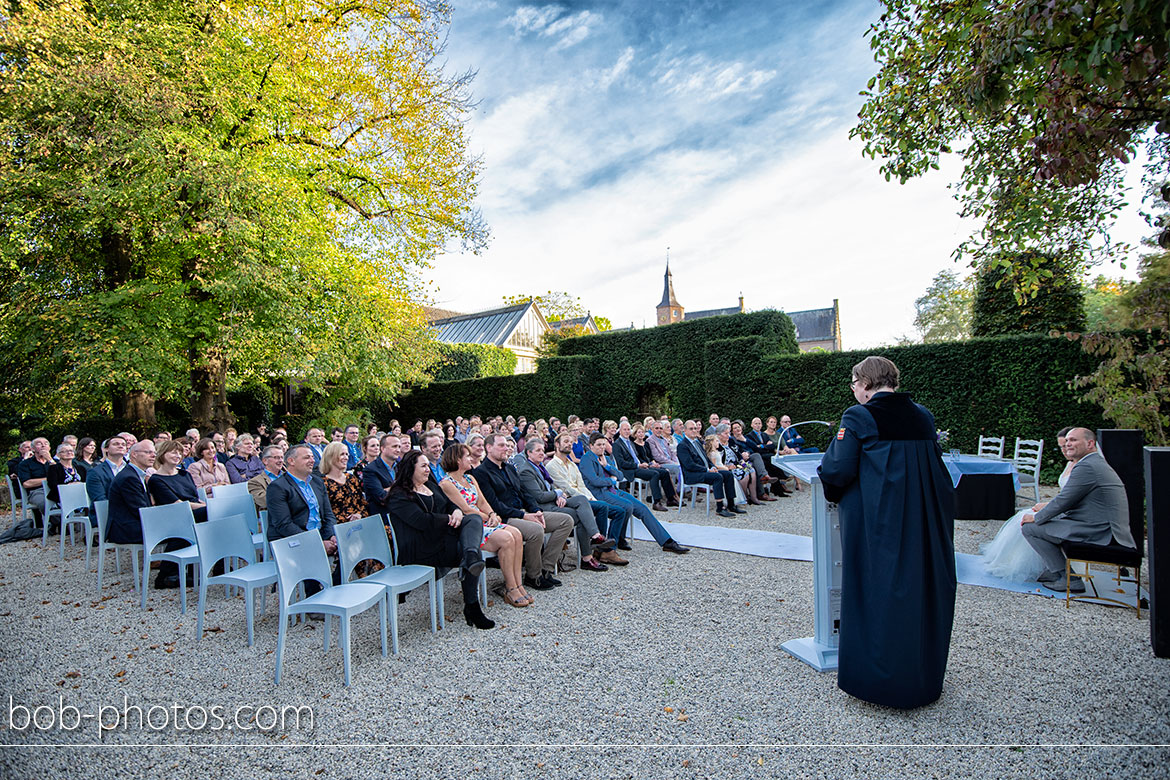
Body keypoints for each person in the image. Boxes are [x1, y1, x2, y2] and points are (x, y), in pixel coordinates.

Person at [817, 356, 956, 709]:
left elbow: (837, 469)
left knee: (877, 591)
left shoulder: (859, 415)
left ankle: (880, 682)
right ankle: (920, 676)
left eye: (853, 381)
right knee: (917, 590)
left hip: (879, 524)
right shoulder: (922, 415)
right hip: (922, 524)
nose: (852, 388)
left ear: (865, 383)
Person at [386, 450, 494, 629]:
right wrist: (450, 519)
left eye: (428, 465)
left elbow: (448, 503)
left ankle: (470, 557)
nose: (428, 469)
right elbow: (421, 521)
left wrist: (457, 511)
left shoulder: (429, 484)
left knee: (473, 520)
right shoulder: (399, 495)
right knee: (471, 551)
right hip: (421, 547)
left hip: (442, 537)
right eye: (423, 466)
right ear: (410, 469)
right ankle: (472, 606)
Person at [1021, 427, 1137, 593]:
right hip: (1098, 523)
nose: (1068, 444)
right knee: (1043, 522)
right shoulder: (1093, 462)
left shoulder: (1088, 466)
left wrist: (1037, 517)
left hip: (1100, 529)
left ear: (1090, 443)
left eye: (1073, 440)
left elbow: (1063, 501)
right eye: (1067, 440)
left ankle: (1068, 578)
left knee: (1030, 528)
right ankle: (1055, 571)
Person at [472, 433, 575, 590]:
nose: (506, 448)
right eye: (501, 445)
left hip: (525, 512)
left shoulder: (509, 468)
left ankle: (545, 569)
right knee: (536, 530)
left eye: (507, 445)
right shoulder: (481, 472)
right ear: (488, 448)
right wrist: (525, 515)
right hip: (505, 518)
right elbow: (494, 505)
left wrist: (536, 510)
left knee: (566, 521)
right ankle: (533, 576)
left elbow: (524, 492)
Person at [439, 444, 530, 608]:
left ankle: (518, 584)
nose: (471, 458)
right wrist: (488, 518)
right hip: (469, 527)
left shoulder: (470, 478)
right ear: (457, 460)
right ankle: (510, 587)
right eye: (467, 456)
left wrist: (492, 514)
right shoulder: (446, 484)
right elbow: (466, 509)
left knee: (517, 533)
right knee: (507, 538)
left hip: (484, 520)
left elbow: (481, 501)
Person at [981, 427, 1074, 583]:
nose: (1064, 450)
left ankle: (1045, 567)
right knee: (1021, 516)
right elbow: (1065, 496)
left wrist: (1045, 507)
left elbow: (1070, 500)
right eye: (1061, 447)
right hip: (1060, 506)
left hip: (1067, 511)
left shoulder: (1081, 467)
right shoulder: (1070, 463)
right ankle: (1012, 560)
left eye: (1066, 445)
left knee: (1024, 519)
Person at [512, 438, 616, 572]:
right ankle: (587, 557)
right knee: (581, 516)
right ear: (528, 453)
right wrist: (558, 493)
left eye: (543, 450)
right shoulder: (527, 471)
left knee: (581, 500)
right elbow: (539, 496)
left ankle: (595, 537)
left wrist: (559, 496)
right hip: (542, 506)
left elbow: (550, 488)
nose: (541, 453)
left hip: (554, 500)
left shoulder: (539, 466)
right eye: (538, 450)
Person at [579, 433, 689, 555]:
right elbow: (595, 481)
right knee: (627, 506)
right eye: (599, 445)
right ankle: (612, 544)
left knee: (642, 508)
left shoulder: (606, 458)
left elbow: (620, 476)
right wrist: (611, 480)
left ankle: (666, 541)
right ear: (591, 445)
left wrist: (607, 466)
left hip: (613, 491)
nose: (602, 447)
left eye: (604, 444)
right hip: (599, 493)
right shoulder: (587, 459)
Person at [266, 444, 339, 595]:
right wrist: (317, 543)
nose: (312, 460)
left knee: (347, 543)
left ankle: (335, 589)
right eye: (307, 457)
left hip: (317, 533)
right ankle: (313, 600)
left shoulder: (317, 482)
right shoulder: (278, 487)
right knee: (310, 551)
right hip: (289, 538)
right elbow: (284, 525)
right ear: (291, 461)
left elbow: (328, 514)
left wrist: (331, 535)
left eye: (312, 457)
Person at [546, 433, 629, 565]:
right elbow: (567, 488)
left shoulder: (572, 465)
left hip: (582, 497)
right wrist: (587, 500)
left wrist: (591, 499)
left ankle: (605, 549)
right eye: (566, 441)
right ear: (557, 444)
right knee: (602, 506)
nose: (569, 444)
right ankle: (602, 548)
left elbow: (582, 485)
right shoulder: (552, 465)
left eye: (571, 442)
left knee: (620, 511)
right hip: (569, 500)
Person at [677, 421, 740, 518]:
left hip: (704, 471)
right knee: (717, 477)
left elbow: (706, 458)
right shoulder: (682, 446)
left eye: (695, 428)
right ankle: (720, 508)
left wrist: (712, 466)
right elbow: (689, 465)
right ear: (684, 430)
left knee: (728, 474)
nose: (694, 430)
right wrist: (707, 470)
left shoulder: (697, 442)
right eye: (691, 429)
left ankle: (731, 504)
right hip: (692, 475)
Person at [612, 421, 678, 511]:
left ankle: (670, 499)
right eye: (625, 430)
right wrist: (638, 465)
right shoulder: (617, 444)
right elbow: (621, 463)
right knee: (654, 474)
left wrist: (649, 464)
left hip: (640, 466)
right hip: (629, 469)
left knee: (664, 472)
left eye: (628, 429)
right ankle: (656, 502)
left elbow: (638, 457)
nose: (627, 431)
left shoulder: (630, 442)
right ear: (620, 431)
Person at [147, 439, 208, 524]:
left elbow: (195, 498)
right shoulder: (156, 480)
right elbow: (179, 505)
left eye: (180, 453)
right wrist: (208, 507)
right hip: (179, 515)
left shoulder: (185, 474)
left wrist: (208, 505)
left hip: (197, 509)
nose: (178, 456)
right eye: (174, 453)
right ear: (163, 454)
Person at [320, 441, 366, 525]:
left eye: (347, 454)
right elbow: (325, 513)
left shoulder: (351, 478)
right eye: (342, 454)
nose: (346, 458)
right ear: (331, 457)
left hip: (359, 524)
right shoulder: (323, 483)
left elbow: (362, 503)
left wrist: (359, 515)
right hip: (338, 528)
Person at [704, 433, 754, 506]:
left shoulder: (716, 451)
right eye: (717, 441)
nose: (718, 443)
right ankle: (732, 501)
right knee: (732, 477)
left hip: (725, 468)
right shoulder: (712, 454)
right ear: (712, 442)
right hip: (721, 469)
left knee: (747, 471)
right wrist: (726, 468)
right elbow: (715, 465)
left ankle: (737, 500)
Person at [361, 433, 401, 521]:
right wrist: (399, 487)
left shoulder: (400, 467)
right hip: (383, 519)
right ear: (382, 448)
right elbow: (381, 497)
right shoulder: (370, 470)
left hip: (401, 515)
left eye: (399, 446)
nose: (398, 450)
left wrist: (389, 489)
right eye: (394, 446)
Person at [46, 442, 87, 509]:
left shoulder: (80, 468)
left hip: (81, 496)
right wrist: (70, 486)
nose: (69, 453)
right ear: (59, 454)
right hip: (62, 498)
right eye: (65, 451)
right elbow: (53, 485)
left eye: (71, 451)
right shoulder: (54, 468)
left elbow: (86, 483)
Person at [248, 446, 284, 511]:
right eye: (276, 457)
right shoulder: (255, 482)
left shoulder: (289, 476)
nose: (281, 460)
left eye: (282, 457)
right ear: (265, 461)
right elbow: (264, 501)